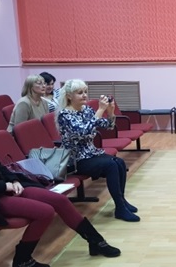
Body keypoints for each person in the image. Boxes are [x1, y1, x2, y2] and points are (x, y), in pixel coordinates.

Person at [0, 134, 121, 267]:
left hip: (7, 188)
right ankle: (22, 260)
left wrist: (14, 180)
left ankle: (96, 241)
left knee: (60, 201)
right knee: (45, 212)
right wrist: (4, 186)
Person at [56, 79, 140, 222]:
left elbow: (108, 126)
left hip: (91, 154)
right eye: (79, 93)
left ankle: (122, 202)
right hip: (76, 160)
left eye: (85, 92)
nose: (84, 95)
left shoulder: (86, 109)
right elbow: (84, 132)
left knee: (119, 162)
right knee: (111, 165)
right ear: (69, 96)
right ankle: (120, 208)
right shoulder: (65, 115)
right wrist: (100, 110)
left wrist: (110, 111)